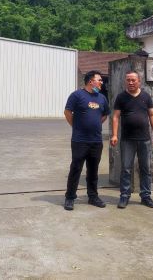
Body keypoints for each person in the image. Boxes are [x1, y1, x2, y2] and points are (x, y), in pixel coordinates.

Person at [110, 70, 153, 209]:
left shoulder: (146, 96)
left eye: (133, 80)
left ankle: (146, 196)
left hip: (145, 139)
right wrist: (114, 135)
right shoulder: (121, 97)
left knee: (146, 169)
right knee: (126, 169)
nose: (130, 82)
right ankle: (124, 196)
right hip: (127, 139)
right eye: (128, 80)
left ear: (139, 81)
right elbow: (115, 117)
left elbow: (152, 115)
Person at [63, 70, 110, 211]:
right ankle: (70, 197)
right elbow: (67, 112)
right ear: (91, 81)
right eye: (99, 80)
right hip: (80, 140)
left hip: (96, 141)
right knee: (76, 168)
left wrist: (95, 124)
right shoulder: (77, 95)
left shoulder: (102, 98)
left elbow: (105, 114)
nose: (101, 82)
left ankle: (93, 196)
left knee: (93, 170)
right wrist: (76, 126)